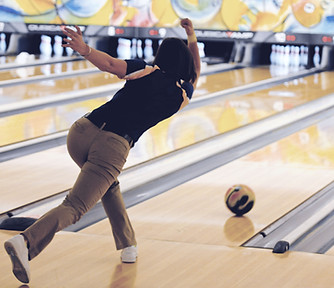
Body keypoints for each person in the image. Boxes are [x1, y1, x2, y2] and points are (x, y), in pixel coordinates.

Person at [4, 18, 200, 284]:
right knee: (74, 206)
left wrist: (84, 48)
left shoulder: (145, 69)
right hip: (112, 146)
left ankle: (128, 245)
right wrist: (191, 35)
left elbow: (109, 64)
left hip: (81, 131)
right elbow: (195, 70)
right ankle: (26, 243)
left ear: (160, 56)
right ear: (187, 67)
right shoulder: (183, 94)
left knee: (109, 185)